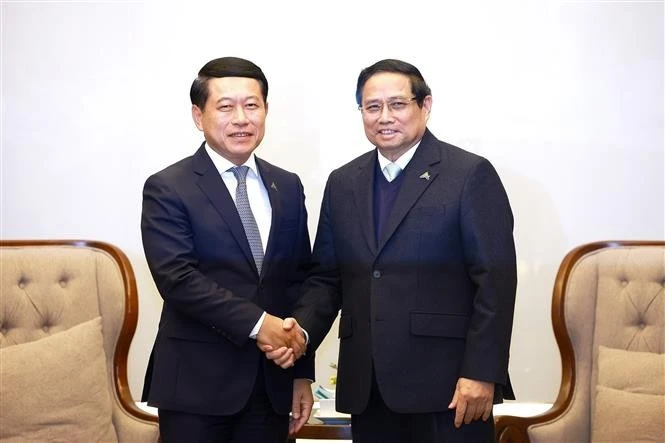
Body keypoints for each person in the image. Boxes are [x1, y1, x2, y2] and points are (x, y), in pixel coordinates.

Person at [267, 59, 517, 442]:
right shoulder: (343, 182)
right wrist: (299, 332)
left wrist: (482, 372)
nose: (384, 117)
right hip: (369, 388)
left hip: (449, 388)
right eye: (372, 107)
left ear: (425, 105)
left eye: (397, 104)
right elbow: (327, 278)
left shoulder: (468, 174)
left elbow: (495, 282)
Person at [140, 56, 314, 443]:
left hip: (272, 385)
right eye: (225, 106)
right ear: (198, 116)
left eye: (252, 105)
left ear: (265, 111)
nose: (241, 118)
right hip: (196, 386)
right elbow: (178, 279)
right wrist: (260, 325)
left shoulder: (286, 186)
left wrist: (302, 370)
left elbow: (300, 279)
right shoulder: (169, 187)